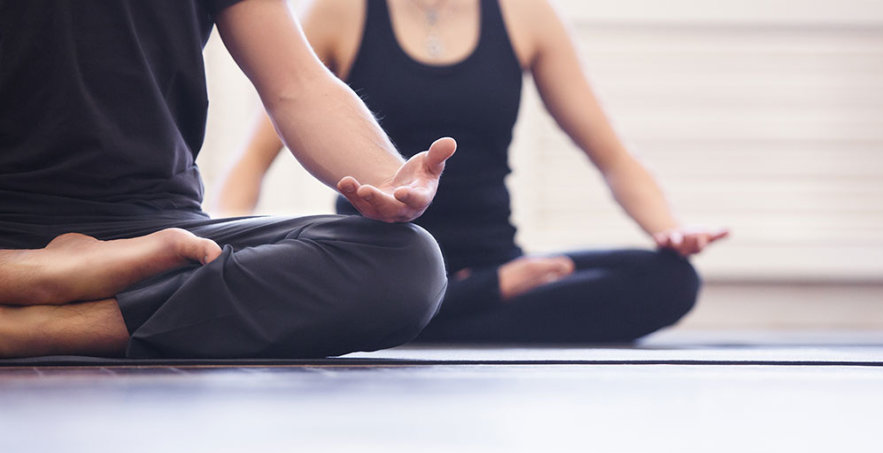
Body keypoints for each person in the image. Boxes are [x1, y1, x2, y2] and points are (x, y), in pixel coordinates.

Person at [217, 0, 729, 343]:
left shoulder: (526, 15)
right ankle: (467, 304)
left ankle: (438, 315)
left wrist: (667, 229)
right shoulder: (341, 12)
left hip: (494, 260)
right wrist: (224, 260)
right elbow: (252, 162)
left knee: (670, 280)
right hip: (381, 267)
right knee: (377, 289)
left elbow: (612, 156)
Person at [0, 0, 459, 359]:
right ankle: (38, 276)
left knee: (403, 264)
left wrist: (386, 176)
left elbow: (296, 84)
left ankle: (30, 327)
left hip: (156, 241)